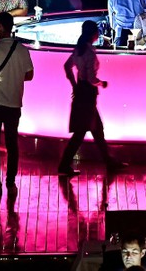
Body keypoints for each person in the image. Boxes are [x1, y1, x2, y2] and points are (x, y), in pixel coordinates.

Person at [58, 20, 126, 175]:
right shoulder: (89, 52)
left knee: (96, 129)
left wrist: (74, 85)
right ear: (94, 34)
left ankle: (108, 161)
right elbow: (91, 78)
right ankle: (64, 166)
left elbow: (67, 67)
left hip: (81, 92)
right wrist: (102, 83)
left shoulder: (79, 49)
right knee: (82, 132)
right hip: (88, 94)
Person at [0, 12, 35, 195]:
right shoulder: (22, 49)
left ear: (1, 26)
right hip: (14, 103)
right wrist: (14, 77)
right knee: (12, 144)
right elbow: (30, 75)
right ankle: (11, 181)